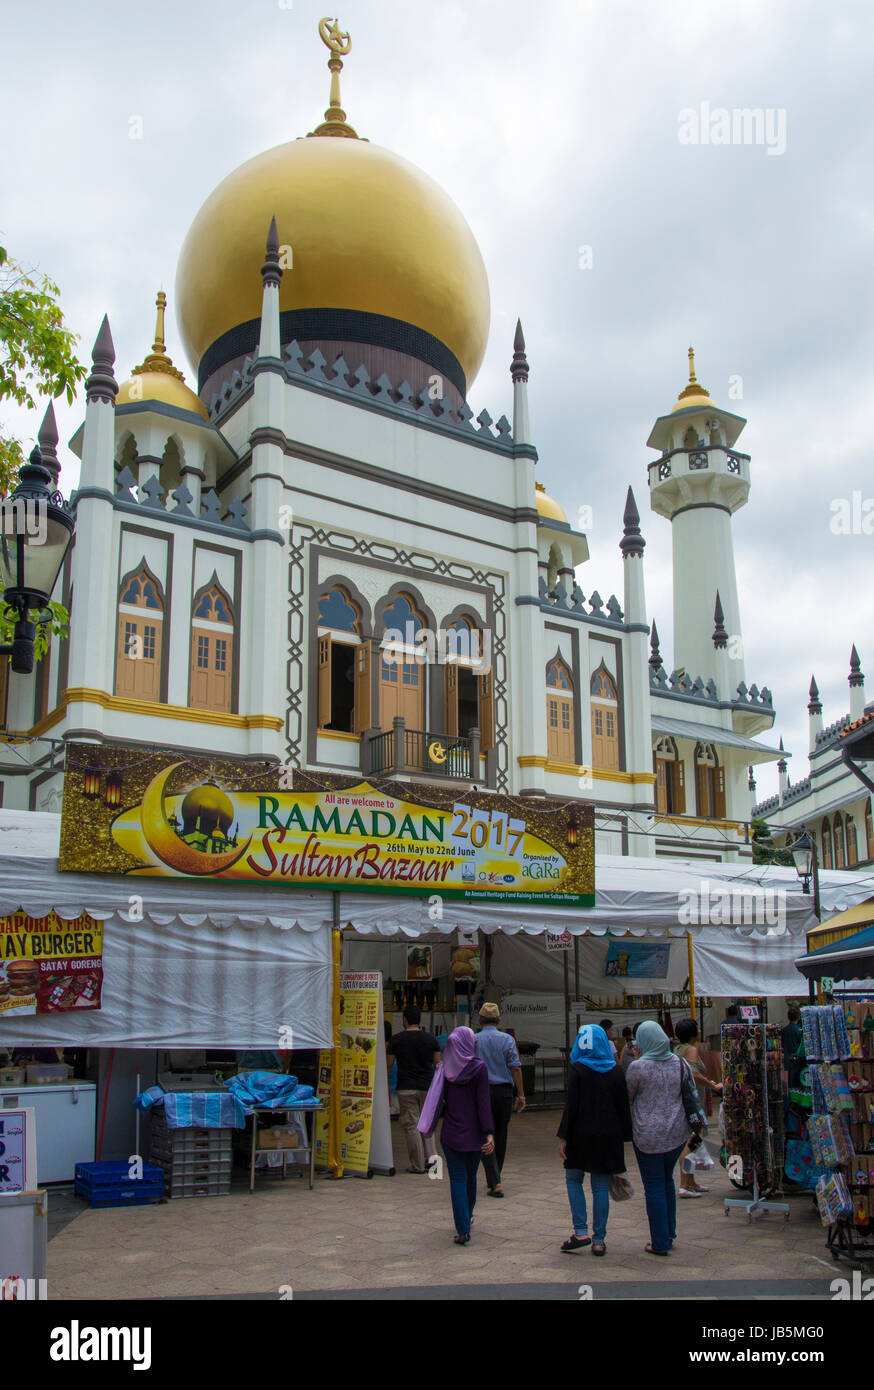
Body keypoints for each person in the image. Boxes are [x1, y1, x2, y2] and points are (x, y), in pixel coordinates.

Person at [557, 1024, 632, 1256]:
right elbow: (623, 1108)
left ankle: (580, 1231)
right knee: (600, 1187)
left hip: (580, 1134)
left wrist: (564, 1136)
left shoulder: (577, 1070)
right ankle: (599, 1240)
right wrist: (625, 1137)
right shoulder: (616, 1072)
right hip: (608, 1136)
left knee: (573, 1179)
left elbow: (571, 1107)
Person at [418, 1026, 494, 1244]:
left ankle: (462, 1228)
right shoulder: (479, 1069)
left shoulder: (444, 1068)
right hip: (475, 1135)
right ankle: (467, 1217)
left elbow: (439, 1102)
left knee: (457, 1179)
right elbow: (483, 1103)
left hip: (451, 1134)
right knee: (470, 1178)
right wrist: (488, 1132)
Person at [626, 1020, 692, 1255]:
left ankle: (660, 1241)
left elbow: (629, 1095)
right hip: (676, 1133)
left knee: (653, 1185)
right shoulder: (680, 1062)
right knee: (667, 1181)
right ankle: (669, 1233)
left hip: (648, 1136)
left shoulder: (638, 1067)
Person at [474, 1002, 526, 1197]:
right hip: (503, 1092)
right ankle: (496, 1177)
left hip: (481, 1092)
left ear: (479, 1020)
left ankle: (494, 1179)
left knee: (484, 1133)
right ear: (499, 1021)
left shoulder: (474, 1039)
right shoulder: (507, 1040)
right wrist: (521, 1094)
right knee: (501, 1134)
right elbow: (516, 1067)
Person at [386, 1005, 441, 1173]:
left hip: (406, 1088)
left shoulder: (396, 1040)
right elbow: (438, 1064)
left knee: (412, 1125)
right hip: (427, 1087)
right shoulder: (431, 1039)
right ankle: (432, 1161)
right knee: (428, 1124)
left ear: (404, 1020)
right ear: (419, 1020)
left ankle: (417, 1164)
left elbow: (389, 1065)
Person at [673, 1017, 722, 1197]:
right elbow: (693, 1074)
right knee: (691, 1142)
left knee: (693, 1139)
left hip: (685, 1099)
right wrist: (712, 1085)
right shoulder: (691, 1049)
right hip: (693, 1100)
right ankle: (684, 1185)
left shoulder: (678, 1049)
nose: (700, 1030)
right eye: (698, 1028)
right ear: (693, 1033)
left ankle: (691, 1182)